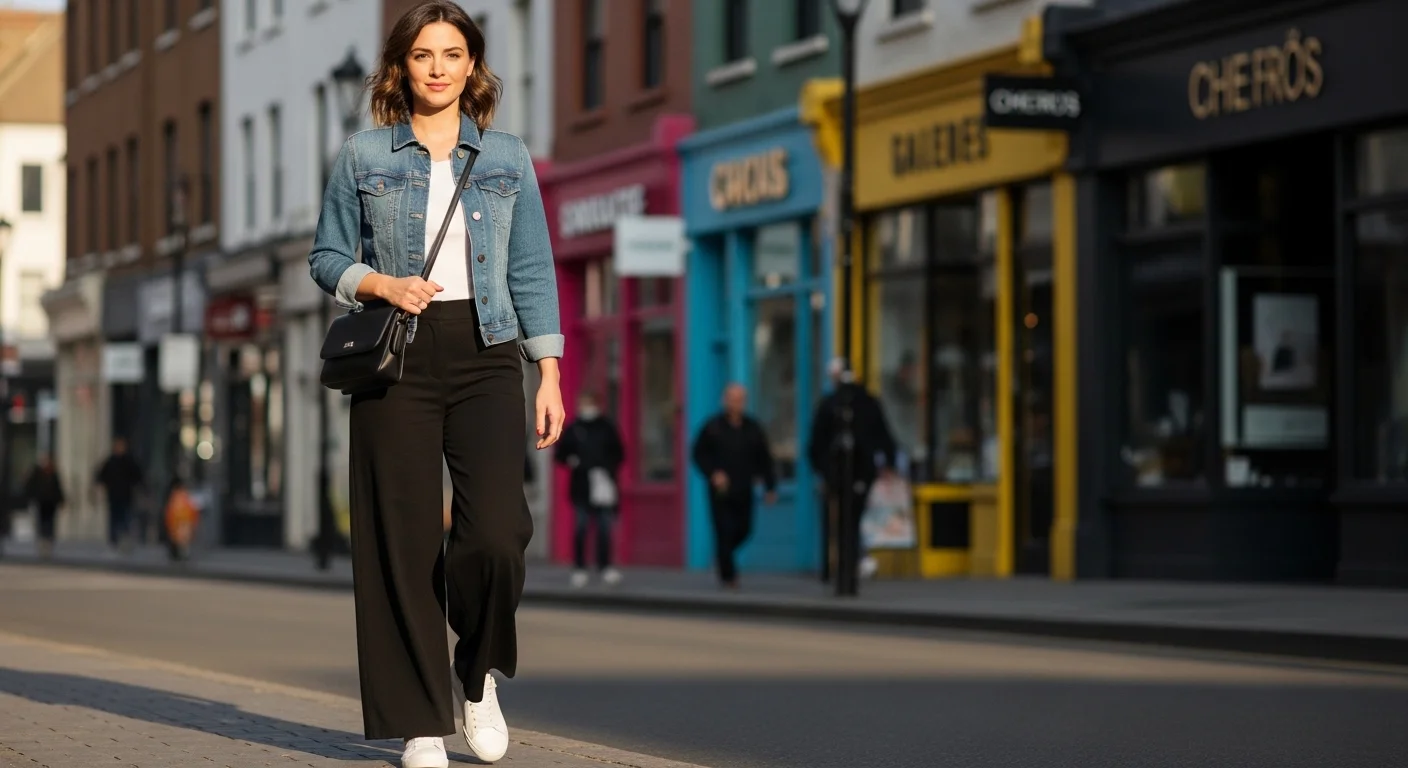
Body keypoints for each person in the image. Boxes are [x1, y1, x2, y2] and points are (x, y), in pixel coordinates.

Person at [307, 5, 564, 767]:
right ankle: (421, 720)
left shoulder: (509, 157)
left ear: (472, 66)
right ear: (402, 66)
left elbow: (530, 270)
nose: (439, 67)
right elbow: (325, 257)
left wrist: (547, 369)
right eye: (424, 54)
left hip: (488, 351)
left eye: (454, 53)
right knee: (402, 537)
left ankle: (477, 671)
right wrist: (379, 282)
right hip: (400, 357)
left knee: (497, 535)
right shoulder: (362, 156)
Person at [808, 358, 899, 583]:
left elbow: (815, 443)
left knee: (841, 519)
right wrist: (888, 461)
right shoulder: (862, 403)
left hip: (845, 470)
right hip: (855, 471)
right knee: (851, 517)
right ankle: (845, 565)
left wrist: (822, 469)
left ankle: (842, 566)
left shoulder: (832, 403)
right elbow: (884, 435)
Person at [690, 383, 777, 590]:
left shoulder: (753, 428)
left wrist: (770, 486)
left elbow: (764, 458)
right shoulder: (713, 427)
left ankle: (722, 556)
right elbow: (698, 454)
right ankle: (728, 576)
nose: (735, 403)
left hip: (744, 487)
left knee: (744, 529)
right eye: (731, 398)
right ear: (724, 400)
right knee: (723, 530)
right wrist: (713, 473)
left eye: (739, 399)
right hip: (720, 490)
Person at [554, 392, 625, 588]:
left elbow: (619, 453)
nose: (584, 408)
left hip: (603, 485)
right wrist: (573, 461)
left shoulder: (607, 427)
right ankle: (579, 567)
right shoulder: (574, 428)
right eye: (582, 404)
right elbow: (560, 454)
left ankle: (605, 566)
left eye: (588, 404)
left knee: (604, 528)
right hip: (581, 487)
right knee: (581, 528)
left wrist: (606, 469)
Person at [95, 438, 144, 555]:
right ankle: (114, 541)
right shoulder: (111, 461)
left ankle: (124, 540)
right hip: (113, 496)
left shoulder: (129, 461)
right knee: (114, 519)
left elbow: (138, 476)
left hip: (126, 496)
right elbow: (101, 475)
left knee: (125, 518)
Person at [23, 454, 64, 560]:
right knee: (41, 522)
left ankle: (48, 543)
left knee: (50, 523)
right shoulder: (37, 473)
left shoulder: (53, 474)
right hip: (41, 502)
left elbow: (58, 488)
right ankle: (42, 543)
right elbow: (29, 486)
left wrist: (61, 500)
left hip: (51, 503)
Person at [163, 477, 200, 563]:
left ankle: (181, 554)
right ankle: (182, 554)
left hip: (179, 522)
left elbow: (170, 512)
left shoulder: (176, 497)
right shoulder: (185, 496)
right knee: (183, 540)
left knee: (181, 540)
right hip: (184, 522)